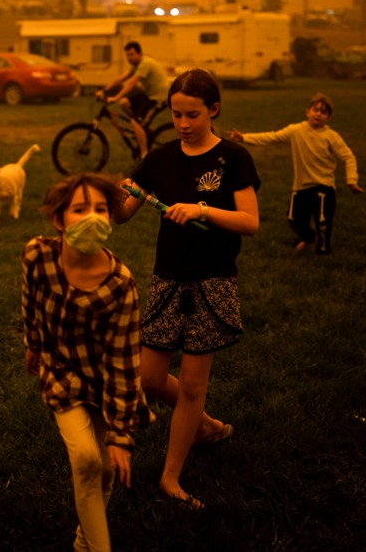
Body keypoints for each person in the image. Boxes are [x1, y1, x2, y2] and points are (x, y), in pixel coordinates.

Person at [113, 68, 260, 508]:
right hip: (168, 278)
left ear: (213, 110)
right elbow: (123, 214)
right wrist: (107, 196)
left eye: (192, 114)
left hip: (213, 281)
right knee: (150, 377)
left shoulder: (233, 159)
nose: (183, 124)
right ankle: (208, 426)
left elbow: (250, 222)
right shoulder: (159, 159)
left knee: (193, 385)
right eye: (177, 114)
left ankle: (171, 477)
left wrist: (201, 209)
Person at [22, 173, 152, 551]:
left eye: (100, 209)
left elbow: (124, 363)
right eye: (80, 209)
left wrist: (122, 435)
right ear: (59, 220)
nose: (93, 217)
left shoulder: (120, 286)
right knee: (85, 459)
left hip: (106, 383)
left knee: (106, 469)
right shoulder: (38, 255)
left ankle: (84, 537)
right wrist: (33, 343)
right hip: (61, 372)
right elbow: (30, 301)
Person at [228, 92, 364, 254]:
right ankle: (308, 237)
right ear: (308, 111)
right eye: (316, 110)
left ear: (328, 117)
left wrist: (351, 180)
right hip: (301, 186)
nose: (318, 114)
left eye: (324, 112)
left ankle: (324, 250)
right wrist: (244, 137)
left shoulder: (331, 137)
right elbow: (272, 137)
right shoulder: (296, 130)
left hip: (324, 186)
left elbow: (348, 157)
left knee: (323, 221)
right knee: (293, 218)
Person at [94, 41, 170, 149]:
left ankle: (144, 155)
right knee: (124, 103)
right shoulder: (136, 65)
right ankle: (141, 127)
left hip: (159, 98)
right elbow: (120, 79)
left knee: (136, 123)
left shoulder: (145, 63)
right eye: (127, 55)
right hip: (148, 95)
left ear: (139, 53)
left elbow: (131, 83)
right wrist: (104, 91)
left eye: (131, 54)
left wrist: (116, 97)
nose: (129, 58)